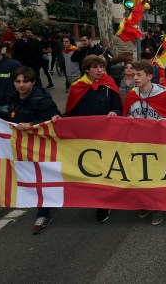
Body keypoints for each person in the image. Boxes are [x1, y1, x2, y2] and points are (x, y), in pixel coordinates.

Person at [55, 55, 123, 223]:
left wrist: (115, 112)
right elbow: (71, 112)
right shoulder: (77, 87)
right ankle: (94, 198)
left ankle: (104, 203)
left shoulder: (109, 84)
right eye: (95, 67)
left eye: (101, 67)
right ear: (86, 69)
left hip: (106, 137)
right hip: (84, 138)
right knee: (89, 171)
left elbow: (118, 107)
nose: (100, 70)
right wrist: (59, 120)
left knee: (104, 170)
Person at [6, 67, 60, 234]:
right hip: (23, 149)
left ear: (33, 82)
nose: (21, 85)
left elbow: (56, 121)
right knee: (31, 179)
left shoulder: (43, 100)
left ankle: (43, 214)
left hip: (41, 148)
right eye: (18, 81)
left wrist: (32, 124)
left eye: (26, 81)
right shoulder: (13, 98)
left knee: (41, 181)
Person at [123, 60, 166, 226]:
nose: (135, 78)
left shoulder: (161, 95)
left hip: (157, 143)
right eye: (134, 75)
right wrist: (127, 119)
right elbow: (124, 116)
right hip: (137, 142)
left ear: (149, 76)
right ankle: (144, 204)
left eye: (139, 75)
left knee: (156, 176)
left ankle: (157, 207)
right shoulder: (132, 94)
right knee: (140, 174)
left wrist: (165, 121)